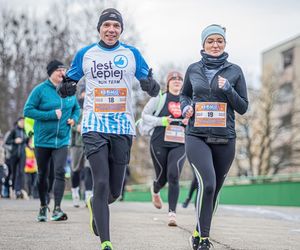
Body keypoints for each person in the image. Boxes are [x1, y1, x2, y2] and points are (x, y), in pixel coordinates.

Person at [56, 8, 160, 250]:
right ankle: (106, 242)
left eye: (116, 26)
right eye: (107, 25)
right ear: (99, 29)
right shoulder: (86, 54)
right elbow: (68, 82)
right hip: (94, 125)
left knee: (113, 191)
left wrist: (150, 84)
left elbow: (153, 87)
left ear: (121, 30)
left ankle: (95, 204)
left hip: (123, 126)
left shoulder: (132, 54)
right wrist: (66, 88)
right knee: (100, 183)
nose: (111, 30)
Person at [180, 24, 248, 250]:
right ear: (203, 44)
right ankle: (204, 240)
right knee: (206, 184)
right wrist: (186, 108)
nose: (215, 44)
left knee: (215, 189)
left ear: (225, 43)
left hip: (225, 138)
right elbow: (184, 96)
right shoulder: (192, 69)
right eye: (210, 41)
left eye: (219, 40)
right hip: (196, 135)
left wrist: (229, 89)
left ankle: (198, 232)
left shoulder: (235, 71)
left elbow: (243, 107)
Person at [23, 59, 80, 222]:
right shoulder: (40, 90)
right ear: (51, 73)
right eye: (59, 71)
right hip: (42, 141)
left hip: (62, 140)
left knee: (60, 172)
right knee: (43, 174)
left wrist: (73, 119)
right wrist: (50, 115)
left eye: (64, 70)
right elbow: (27, 110)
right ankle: (43, 206)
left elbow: (76, 108)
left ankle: (57, 209)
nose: (63, 73)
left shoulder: (69, 90)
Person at [142, 71, 187, 226]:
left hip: (180, 143)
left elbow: (196, 118)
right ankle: (155, 190)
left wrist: (189, 121)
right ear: (168, 83)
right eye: (173, 79)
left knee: (173, 174)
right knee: (162, 176)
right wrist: (162, 120)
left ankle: (172, 213)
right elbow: (145, 115)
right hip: (159, 141)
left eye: (180, 79)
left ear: (183, 83)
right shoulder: (159, 98)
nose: (176, 81)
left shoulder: (187, 99)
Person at [70, 85, 93, 207]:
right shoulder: (75, 107)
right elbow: (68, 121)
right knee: (75, 170)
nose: (86, 96)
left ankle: (88, 196)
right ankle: (75, 193)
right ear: (80, 94)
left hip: (89, 143)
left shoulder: (93, 106)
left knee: (89, 169)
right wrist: (76, 127)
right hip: (76, 143)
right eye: (84, 93)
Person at [5, 117, 27, 199]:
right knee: (13, 173)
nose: (22, 123)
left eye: (23, 122)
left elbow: (27, 141)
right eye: (21, 121)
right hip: (13, 155)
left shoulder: (25, 131)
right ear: (18, 122)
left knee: (21, 172)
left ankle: (19, 190)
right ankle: (13, 189)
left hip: (22, 155)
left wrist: (27, 139)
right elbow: (7, 141)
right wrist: (15, 141)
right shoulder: (14, 130)